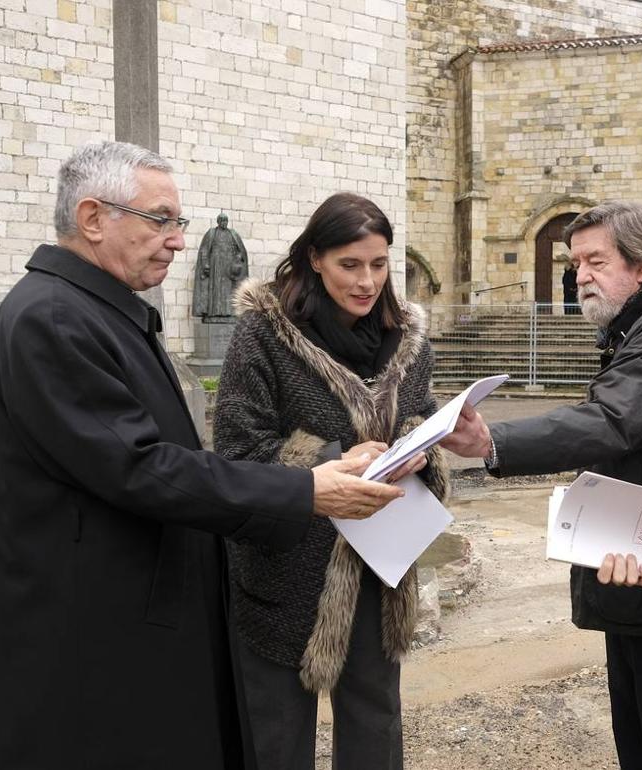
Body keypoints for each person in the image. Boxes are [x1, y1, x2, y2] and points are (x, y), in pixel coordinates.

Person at [0, 141, 405, 770]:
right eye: (161, 219)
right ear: (92, 218)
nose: (177, 240)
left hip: (117, 617)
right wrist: (305, 490)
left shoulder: (94, 311)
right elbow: (140, 467)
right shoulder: (54, 319)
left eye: (178, 223)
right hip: (82, 631)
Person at [440, 201, 642, 770]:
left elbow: (611, 421)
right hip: (640, 574)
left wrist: (494, 444)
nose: (580, 275)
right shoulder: (634, 327)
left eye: (597, 260)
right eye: (576, 263)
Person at [213, 192, 444, 770]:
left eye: (379, 263)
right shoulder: (264, 333)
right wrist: (335, 457)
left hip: (378, 561)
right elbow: (238, 450)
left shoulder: (408, 339)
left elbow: (423, 416)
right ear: (314, 258)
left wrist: (420, 450)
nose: (367, 281)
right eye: (350, 265)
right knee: (276, 733)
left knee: (374, 721)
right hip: (284, 563)